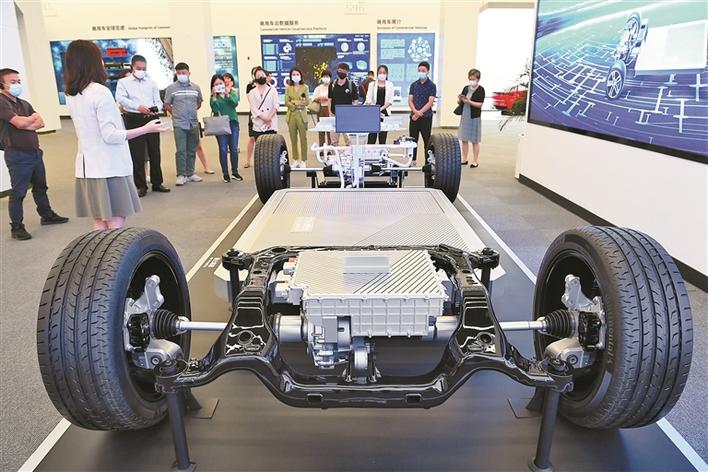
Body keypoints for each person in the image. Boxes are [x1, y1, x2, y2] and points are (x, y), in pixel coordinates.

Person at [63, 40, 167, 230]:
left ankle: (101, 251)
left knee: (99, 220)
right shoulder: (100, 92)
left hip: (88, 166)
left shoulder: (71, 94)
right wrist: (146, 129)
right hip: (109, 166)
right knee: (116, 222)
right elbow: (110, 135)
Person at [0, 68, 68, 240]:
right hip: (17, 154)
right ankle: (17, 226)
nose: (17, 85)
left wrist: (25, 122)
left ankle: (47, 215)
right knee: (19, 192)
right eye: (12, 82)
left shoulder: (23, 103)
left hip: (35, 152)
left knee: (40, 187)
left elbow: (41, 123)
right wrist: (29, 120)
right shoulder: (2, 102)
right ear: (2, 85)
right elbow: (18, 123)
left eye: (18, 81)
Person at [115, 54, 170, 197]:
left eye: (144, 68)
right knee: (137, 153)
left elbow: (158, 101)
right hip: (134, 118)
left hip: (152, 117)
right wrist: (137, 106)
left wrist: (155, 108)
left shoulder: (151, 83)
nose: (141, 71)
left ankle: (157, 182)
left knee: (155, 151)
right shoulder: (124, 82)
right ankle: (140, 185)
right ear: (132, 67)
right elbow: (120, 98)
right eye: (139, 68)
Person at [164, 62, 203, 186]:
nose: (181, 75)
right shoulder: (171, 88)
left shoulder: (196, 88)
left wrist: (191, 111)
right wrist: (175, 113)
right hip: (179, 123)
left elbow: (199, 103)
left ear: (189, 73)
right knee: (181, 150)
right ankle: (181, 174)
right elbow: (167, 104)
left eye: (183, 73)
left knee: (192, 149)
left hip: (193, 122)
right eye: (179, 73)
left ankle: (190, 173)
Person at [210, 74, 242, 182]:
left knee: (234, 148)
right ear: (213, 86)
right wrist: (214, 97)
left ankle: (235, 172)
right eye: (216, 84)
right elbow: (215, 110)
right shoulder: (213, 97)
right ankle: (225, 173)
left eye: (221, 83)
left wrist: (227, 94)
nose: (219, 86)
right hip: (220, 125)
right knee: (223, 149)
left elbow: (234, 104)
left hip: (233, 123)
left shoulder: (231, 92)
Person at [408, 61, 436, 164]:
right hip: (414, 117)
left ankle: (427, 161)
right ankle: (412, 160)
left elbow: (430, 102)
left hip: (426, 117)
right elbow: (410, 100)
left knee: (427, 140)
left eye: (423, 70)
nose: (421, 72)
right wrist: (415, 112)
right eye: (419, 70)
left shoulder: (432, 85)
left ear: (428, 71)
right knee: (412, 140)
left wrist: (419, 113)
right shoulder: (414, 85)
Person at [458, 68, 486, 168]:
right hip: (465, 115)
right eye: (470, 79)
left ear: (478, 79)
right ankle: (464, 159)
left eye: (473, 79)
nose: (471, 81)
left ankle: (475, 160)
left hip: (474, 116)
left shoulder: (481, 90)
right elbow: (461, 101)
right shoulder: (466, 88)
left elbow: (480, 104)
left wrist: (469, 102)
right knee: (464, 139)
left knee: (475, 140)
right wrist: (460, 99)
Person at [328, 63, 359, 146]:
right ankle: (334, 153)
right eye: (340, 70)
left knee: (349, 141)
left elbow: (355, 100)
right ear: (337, 71)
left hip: (347, 116)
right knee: (334, 141)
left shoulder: (351, 85)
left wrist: (353, 112)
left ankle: (350, 154)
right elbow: (330, 99)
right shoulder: (332, 84)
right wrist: (330, 113)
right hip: (334, 115)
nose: (341, 72)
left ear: (347, 72)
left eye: (344, 71)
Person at [285, 67, 309, 168]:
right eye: (293, 74)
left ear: (300, 75)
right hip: (291, 116)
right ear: (291, 76)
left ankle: (303, 160)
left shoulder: (305, 87)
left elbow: (306, 102)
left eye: (297, 74)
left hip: (302, 116)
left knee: (303, 138)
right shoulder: (288, 88)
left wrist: (294, 102)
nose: (295, 76)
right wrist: (296, 104)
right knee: (293, 139)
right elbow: (286, 102)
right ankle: (295, 159)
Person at [365, 65, 394, 144]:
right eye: (380, 72)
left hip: (384, 112)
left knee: (382, 138)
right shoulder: (372, 84)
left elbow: (390, 100)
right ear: (377, 73)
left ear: (387, 74)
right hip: (373, 112)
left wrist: (380, 109)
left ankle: (381, 152)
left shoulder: (390, 84)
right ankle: (370, 152)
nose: (382, 74)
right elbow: (368, 99)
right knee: (371, 137)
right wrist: (375, 109)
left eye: (384, 72)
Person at [248, 67, 279, 141]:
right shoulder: (252, 92)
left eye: (262, 75)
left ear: (266, 76)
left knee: (271, 145)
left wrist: (269, 118)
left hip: (271, 123)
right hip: (258, 124)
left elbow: (276, 105)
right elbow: (253, 109)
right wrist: (265, 118)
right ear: (255, 78)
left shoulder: (272, 90)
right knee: (259, 145)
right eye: (258, 76)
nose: (261, 77)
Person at [312, 70, 332, 146]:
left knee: (330, 130)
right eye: (324, 76)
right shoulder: (318, 88)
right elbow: (314, 98)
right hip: (320, 109)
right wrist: (321, 98)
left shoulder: (332, 87)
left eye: (327, 76)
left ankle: (330, 147)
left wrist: (325, 98)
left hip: (330, 109)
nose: (325, 78)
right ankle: (321, 147)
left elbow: (332, 98)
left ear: (330, 78)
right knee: (321, 129)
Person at [244, 66, 259, 168]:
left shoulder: (266, 85)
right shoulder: (250, 86)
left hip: (265, 113)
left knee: (263, 139)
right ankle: (248, 160)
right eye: (254, 73)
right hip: (253, 113)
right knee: (252, 138)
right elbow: (250, 99)